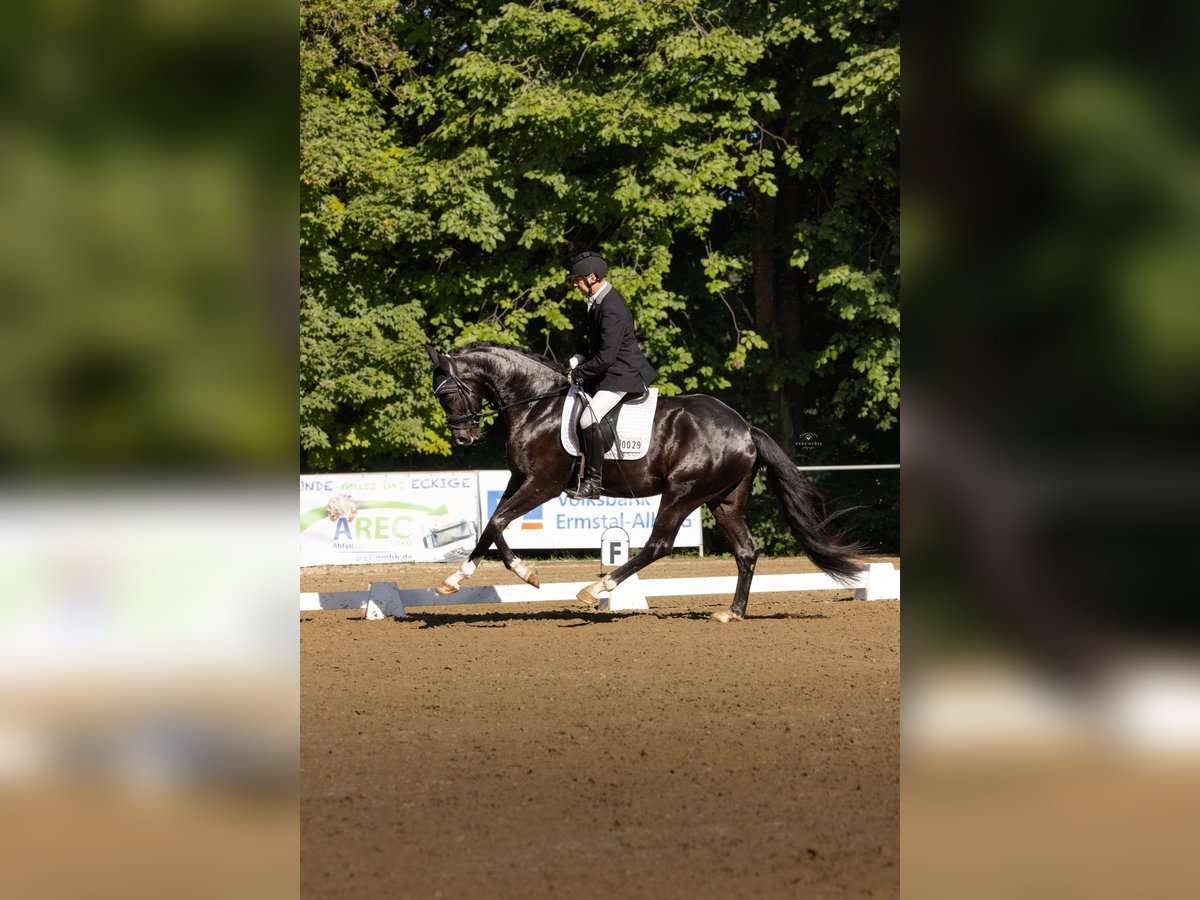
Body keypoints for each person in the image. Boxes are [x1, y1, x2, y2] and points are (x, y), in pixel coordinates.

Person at [564, 251, 657, 500]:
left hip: (622, 374)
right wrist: (580, 356)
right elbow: (598, 344)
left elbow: (606, 357)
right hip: (609, 369)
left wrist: (579, 373)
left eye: (578, 280)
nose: (575, 284)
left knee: (588, 419)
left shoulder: (611, 307)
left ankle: (593, 482)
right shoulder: (598, 301)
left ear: (592, 278)